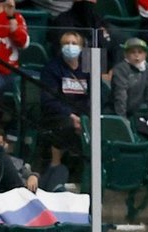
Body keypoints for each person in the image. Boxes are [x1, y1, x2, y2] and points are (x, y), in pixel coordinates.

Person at [39, 30, 89, 185]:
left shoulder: (87, 67)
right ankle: (56, 166)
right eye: (66, 43)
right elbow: (49, 99)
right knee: (65, 125)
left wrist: (84, 118)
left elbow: (95, 95)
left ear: (81, 47)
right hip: (58, 114)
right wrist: (70, 115)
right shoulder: (52, 68)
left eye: (74, 43)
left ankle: (89, 173)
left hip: (83, 114)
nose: (70, 46)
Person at [112, 37, 148, 119]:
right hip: (116, 112)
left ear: (145, 55)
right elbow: (120, 95)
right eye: (132, 52)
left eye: (140, 52)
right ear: (125, 54)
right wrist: (122, 119)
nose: (137, 55)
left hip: (136, 112)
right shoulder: (120, 69)